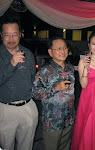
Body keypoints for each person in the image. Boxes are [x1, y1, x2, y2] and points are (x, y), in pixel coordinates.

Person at [0, 18, 38, 150]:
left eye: (15, 34)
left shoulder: (28, 53)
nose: (11, 38)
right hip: (5, 109)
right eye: (7, 35)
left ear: (20, 34)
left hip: (28, 107)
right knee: (5, 146)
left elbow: (33, 78)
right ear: (1, 35)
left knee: (26, 145)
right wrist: (12, 64)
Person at [70, 30, 95, 150]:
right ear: (89, 45)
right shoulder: (83, 61)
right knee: (87, 128)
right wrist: (85, 71)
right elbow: (83, 85)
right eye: (94, 44)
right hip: (88, 98)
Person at [32, 37, 75, 150]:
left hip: (69, 120)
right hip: (53, 122)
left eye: (65, 48)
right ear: (50, 52)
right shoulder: (44, 71)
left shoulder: (70, 68)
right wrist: (55, 88)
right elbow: (35, 93)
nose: (63, 51)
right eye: (59, 48)